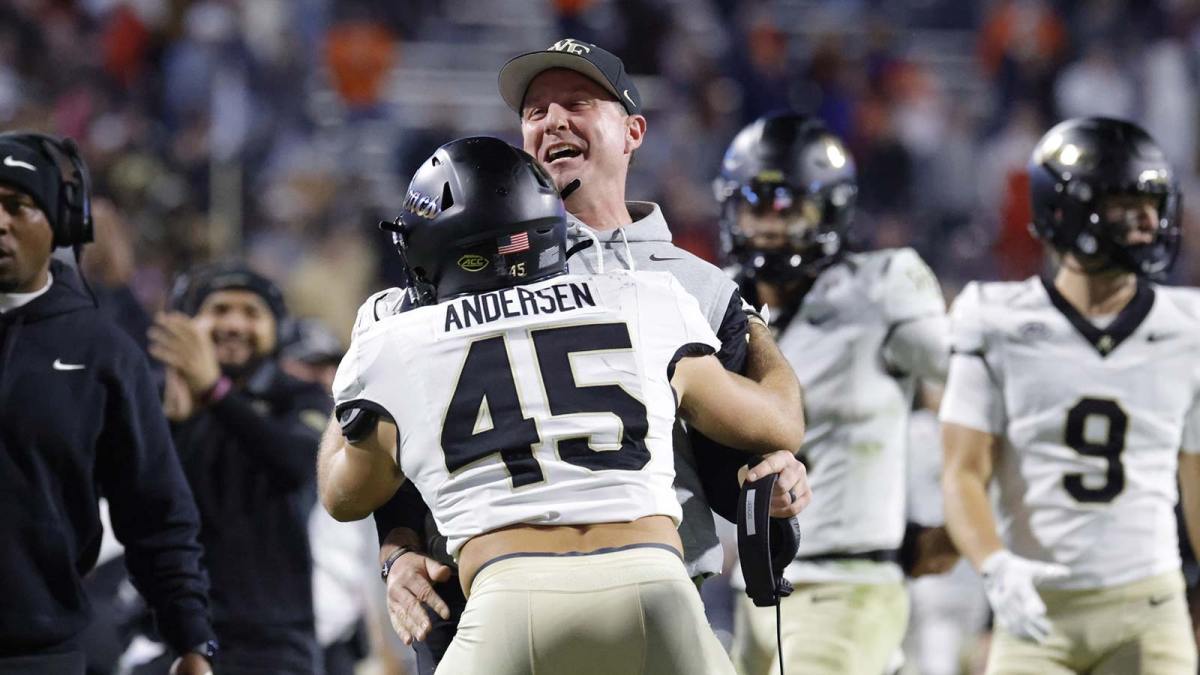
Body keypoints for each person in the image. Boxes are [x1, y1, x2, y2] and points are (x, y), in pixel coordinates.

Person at [372, 38, 810, 670]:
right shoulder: (469, 259)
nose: (551, 121)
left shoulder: (698, 288)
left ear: (632, 131)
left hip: (647, 603)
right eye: (534, 112)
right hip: (482, 602)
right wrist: (398, 548)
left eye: (576, 102)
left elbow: (729, 468)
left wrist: (771, 480)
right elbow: (396, 422)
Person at [941, 116, 1200, 674]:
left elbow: (1198, 475)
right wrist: (995, 567)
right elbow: (963, 471)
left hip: (1149, 605)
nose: (1148, 222)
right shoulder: (995, 319)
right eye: (1126, 205)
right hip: (1034, 606)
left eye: (1154, 204)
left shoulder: (1190, 327)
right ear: (1064, 209)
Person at [715, 112, 959, 675]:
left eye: (789, 206)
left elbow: (986, 391)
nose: (770, 224)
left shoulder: (882, 287)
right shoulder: (720, 303)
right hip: (748, 589)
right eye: (755, 204)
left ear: (831, 208)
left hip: (850, 581)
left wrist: (966, 527)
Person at [0, 131, 216, 674]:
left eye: (16, 206)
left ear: (61, 225)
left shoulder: (102, 352)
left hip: (36, 655)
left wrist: (191, 640)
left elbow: (155, 511)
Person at [147, 261, 332, 674]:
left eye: (251, 312)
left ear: (278, 328)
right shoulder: (156, 399)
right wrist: (170, 426)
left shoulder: (300, 397)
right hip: (171, 634)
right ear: (187, 324)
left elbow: (297, 464)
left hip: (274, 640)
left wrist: (214, 390)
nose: (233, 324)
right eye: (219, 309)